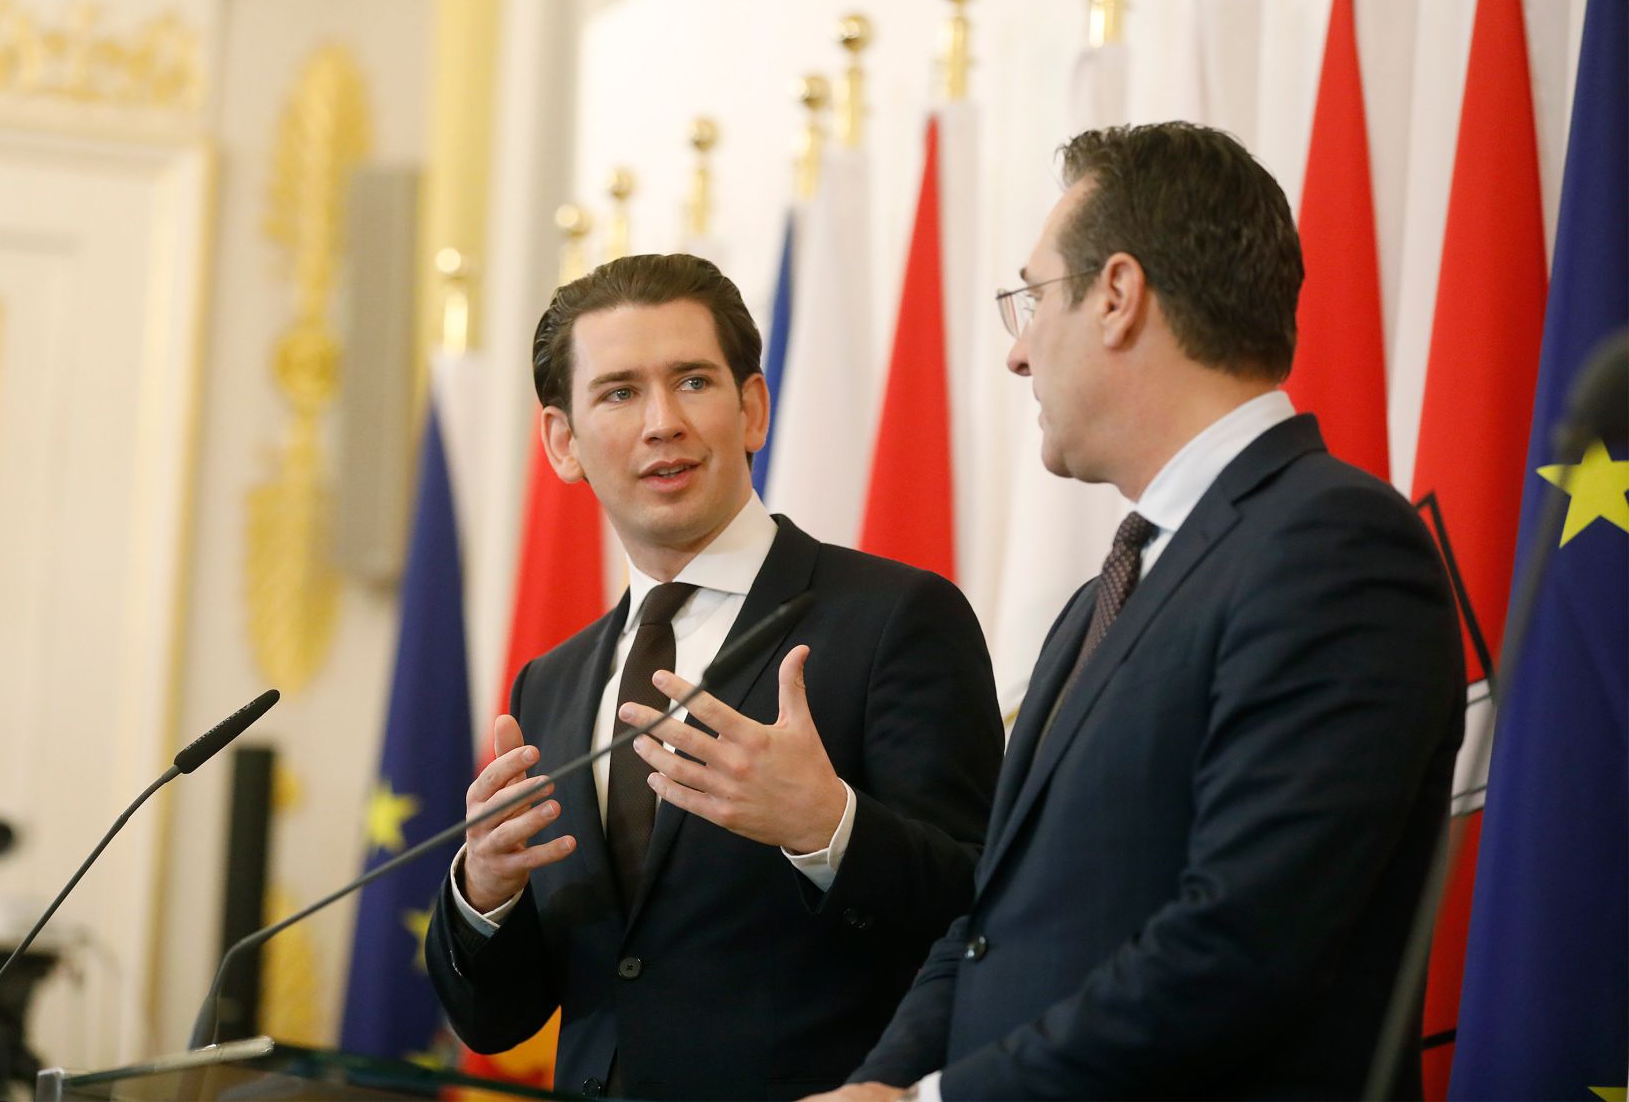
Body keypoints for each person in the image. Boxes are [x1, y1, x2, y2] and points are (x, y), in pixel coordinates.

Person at [824, 123, 1465, 1100]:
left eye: (1032, 299)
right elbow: (987, 925)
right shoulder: (1099, 601)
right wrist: (880, 1084)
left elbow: (1239, 943)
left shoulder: (1334, 546)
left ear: (1117, 295)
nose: (1016, 354)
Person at [425, 253, 1004, 1101]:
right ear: (563, 442)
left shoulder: (894, 620)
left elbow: (983, 910)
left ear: (753, 408)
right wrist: (485, 891)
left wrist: (828, 827)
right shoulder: (549, 684)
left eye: (692, 381)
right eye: (619, 393)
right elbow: (497, 1020)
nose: (662, 422)